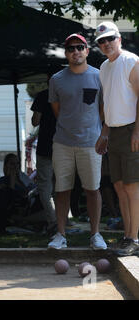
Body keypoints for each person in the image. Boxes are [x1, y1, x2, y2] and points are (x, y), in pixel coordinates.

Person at [47, 33, 107, 250]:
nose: (76, 51)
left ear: (87, 51)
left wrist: (96, 131)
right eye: (71, 48)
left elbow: (103, 110)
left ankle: (96, 235)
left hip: (91, 143)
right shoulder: (56, 79)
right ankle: (60, 235)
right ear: (66, 53)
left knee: (93, 189)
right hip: (62, 142)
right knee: (62, 190)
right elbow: (57, 111)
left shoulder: (99, 76)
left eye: (80, 47)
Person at [94, 21, 139, 256]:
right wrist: (104, 132)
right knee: (120, 186)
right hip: (114, 132)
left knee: (132, 187)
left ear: (119, 39)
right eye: (101, 41)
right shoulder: (103, 67)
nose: (106, 44)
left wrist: (137, 131)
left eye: (110, 39)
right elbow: (109, 103)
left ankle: (134, 238)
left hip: (132, 129)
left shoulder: (131, 61)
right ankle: (127, 236)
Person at [31, 74, 58, 235]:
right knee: (62, 187)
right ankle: (62, 219)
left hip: (45, 146)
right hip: (63, 144)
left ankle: (53, 221)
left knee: (45, 187)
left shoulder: (42, 96)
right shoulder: (65, 95)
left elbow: (35, 121)